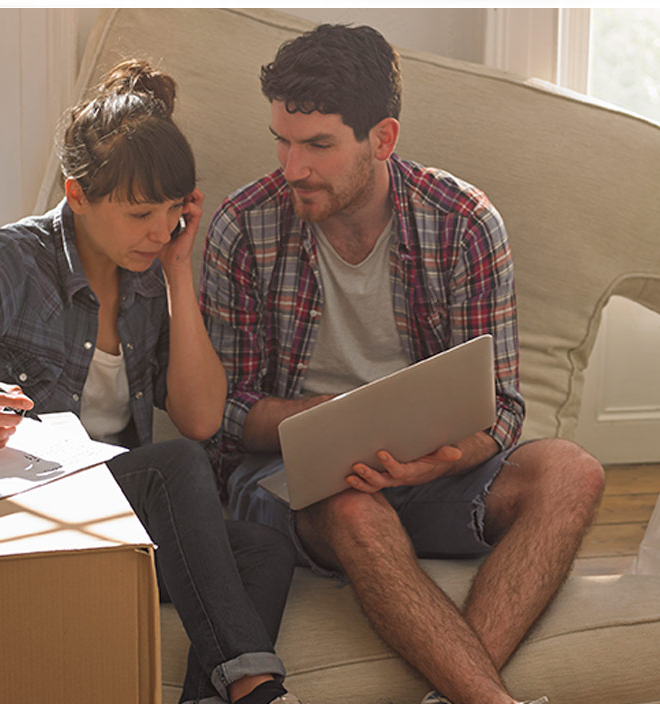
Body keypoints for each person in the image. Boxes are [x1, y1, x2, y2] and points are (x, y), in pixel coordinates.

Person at [0, 59, 298, 705]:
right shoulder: (16, 259)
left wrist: (179, 270)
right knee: (175, 463)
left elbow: (203, 415)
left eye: (172, 212)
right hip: (23, 508)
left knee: (264, 549)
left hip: (108, 513)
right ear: (77, 194)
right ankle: (256, 688)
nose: (157, 230)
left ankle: (214, 697)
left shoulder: (151, 270)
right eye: (140, 212)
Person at [200, 24, 604, 704]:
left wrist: (442, 459)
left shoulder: (463, 222)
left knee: (571, 470)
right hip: (294, 484)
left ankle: (449, 696)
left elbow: (501, 410)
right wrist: (328, 423)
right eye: (282, 139)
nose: (291, 166)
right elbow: (223, 415)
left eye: (318, 145)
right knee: (356, 508)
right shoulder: (243, 226)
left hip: (431, 471)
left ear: (381, 139)